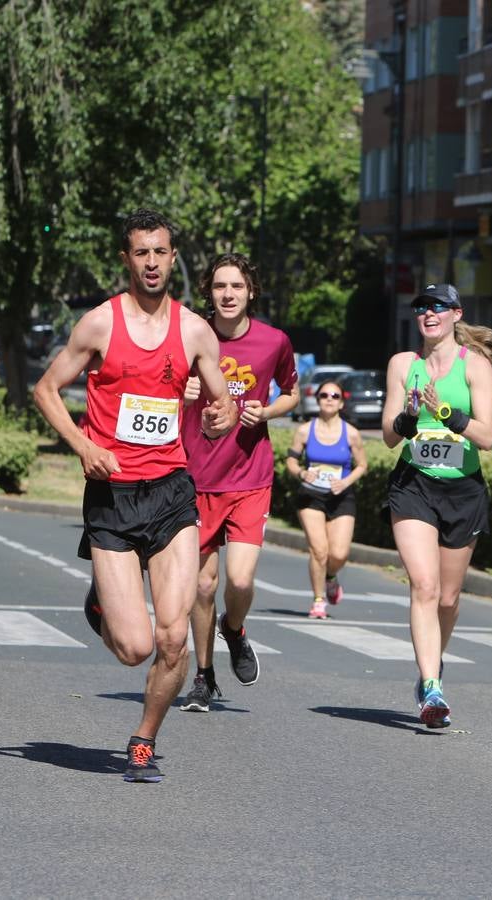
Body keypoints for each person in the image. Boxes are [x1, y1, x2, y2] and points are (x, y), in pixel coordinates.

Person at [33, 208, 237, 782]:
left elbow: (221, 405)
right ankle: (102, 604)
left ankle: (143, 739)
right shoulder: (99, 324)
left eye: (160, 252)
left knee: (174, 638)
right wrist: (82, 445)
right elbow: (46, 389)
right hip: (112, 496)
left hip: (172, 493)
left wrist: (220, 417)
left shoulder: (195, 331)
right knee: (134, 647)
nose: (152, 263)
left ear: (173, 259)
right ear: (127, 259)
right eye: (141, 253)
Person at [175, 253, 298, 714]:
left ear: (251, 292)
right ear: (209, 291)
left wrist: (266, 411)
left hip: (249, 475)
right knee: (202, 586)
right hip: (194, 477)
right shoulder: (190, 335)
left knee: (240, 580)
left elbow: (291, 392)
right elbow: (155, 387)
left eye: (237, 286)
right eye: (220, 286)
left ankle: (234, 627)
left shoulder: (273, 341)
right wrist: (181, 391)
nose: (228, 294)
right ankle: (204, 676)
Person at [381, 283, 492, 729]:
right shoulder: (403, 364)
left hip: (463, 489)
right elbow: (389, 435)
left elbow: (487, 437)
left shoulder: (475, 366)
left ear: (456, 314)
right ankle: (431, 687)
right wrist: (410, 417)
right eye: (421, 308)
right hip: (414, 483)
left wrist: (448, 413)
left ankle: (433, 663)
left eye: (438, 307)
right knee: (425, 587)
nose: (429, 314)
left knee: (448, 599)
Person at [285, 379, 367, 619]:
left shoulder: (351, 434)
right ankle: (318, 600)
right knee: (319, 550)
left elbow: (362, 465)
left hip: (341, 496)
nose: (329, 399)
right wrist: (301, 473)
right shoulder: (304, 430)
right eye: (324, 395)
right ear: (317, 400)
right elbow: (291, 461)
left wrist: (345, 482)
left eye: (335, 396)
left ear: (341, 403)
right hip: (311, 495)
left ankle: (330, 576)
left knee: (338, 554)